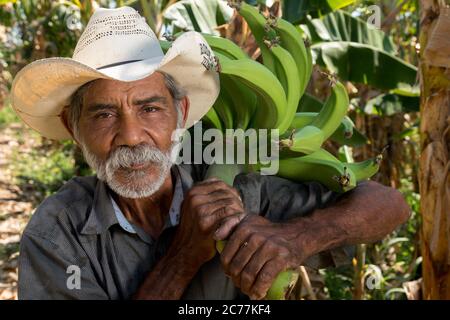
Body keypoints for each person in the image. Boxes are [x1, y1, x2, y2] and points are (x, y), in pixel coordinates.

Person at [10, 7, 410, 300]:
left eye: (150, 108)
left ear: (180, 113)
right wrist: (183, 256)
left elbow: (388, 204)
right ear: (72, 127)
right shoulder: (56, 235)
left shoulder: (240, 190)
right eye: (104, 114)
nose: (131, 137)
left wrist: (296, 236)